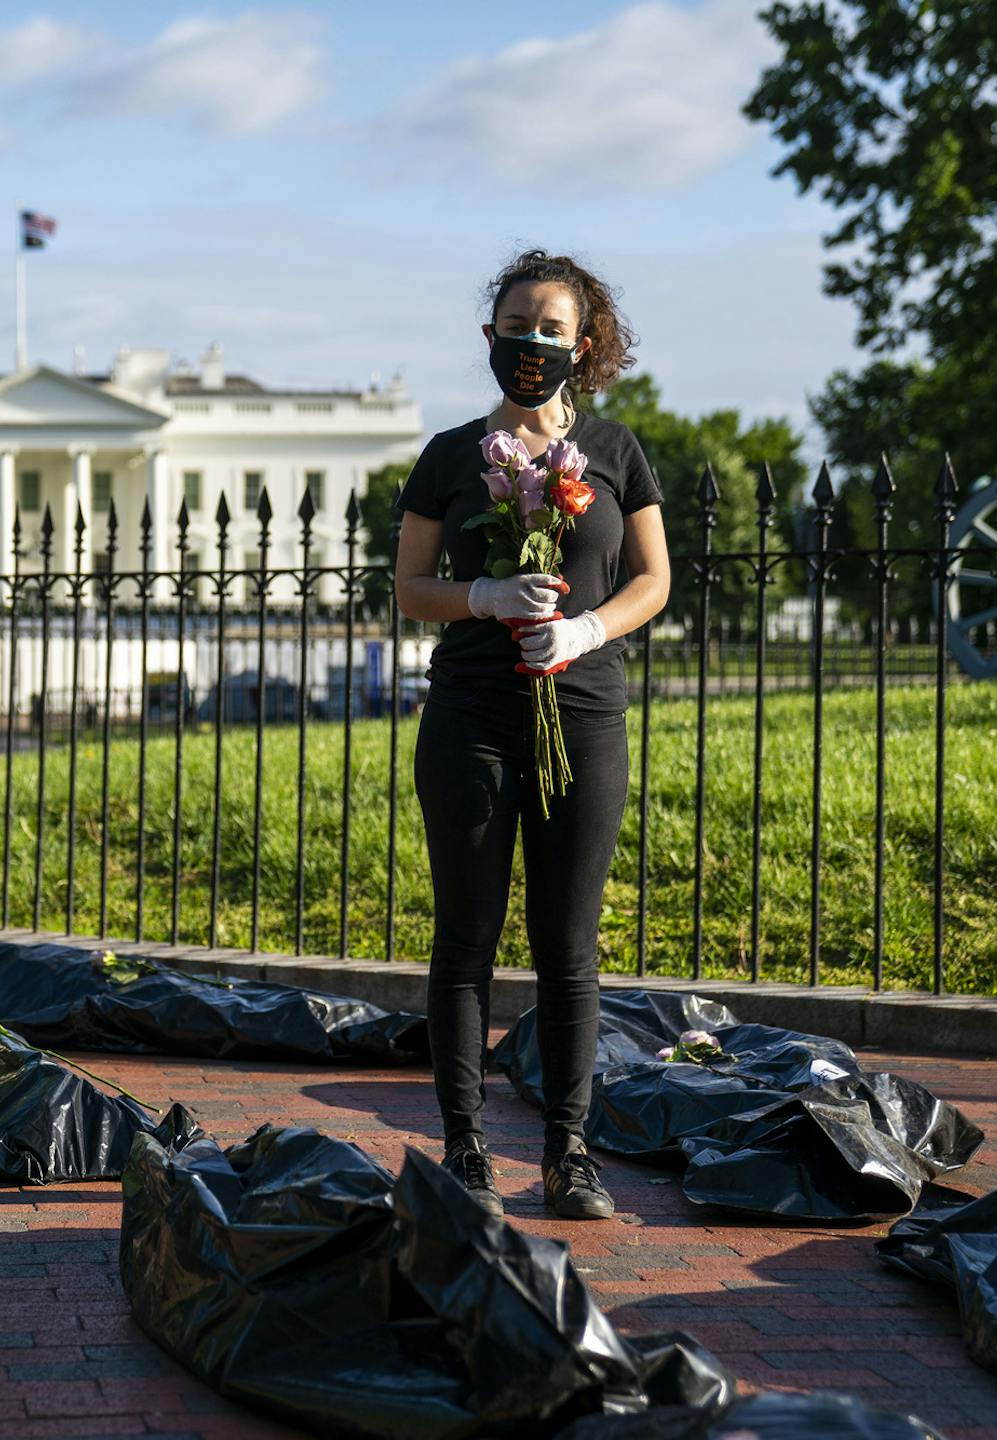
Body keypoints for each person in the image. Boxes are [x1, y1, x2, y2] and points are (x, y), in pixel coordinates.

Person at [392, 250, 671, 1220]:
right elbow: (409, 588)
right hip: (471, 716)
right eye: (519, 326)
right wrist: (485, 595)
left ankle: (568, 1152)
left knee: (569, 943)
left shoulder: (615, 450)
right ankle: (464, 1146)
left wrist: (586, 629)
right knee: (465, 938)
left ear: (582, 344)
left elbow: (653, 579)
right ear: (490, 338)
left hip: (583, 713)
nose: (534, 344)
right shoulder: (449, 456)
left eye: (553, 329)